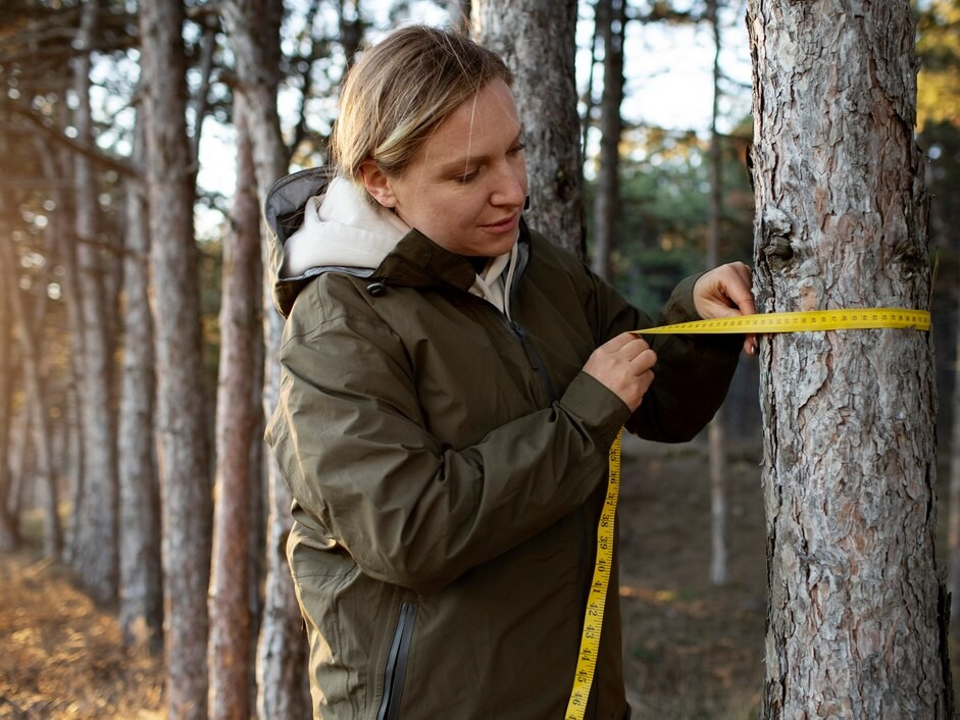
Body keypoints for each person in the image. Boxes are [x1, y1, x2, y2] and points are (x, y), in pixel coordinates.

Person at [264, 24, 756, 720]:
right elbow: (409, 533)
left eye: (515, 151)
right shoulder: (338, 323)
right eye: (468, 173)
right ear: (379, 180)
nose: (513, 191)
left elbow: (657, 403)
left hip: (577, 699)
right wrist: (581, 421)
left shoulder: (534, 267)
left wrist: (697, 319)